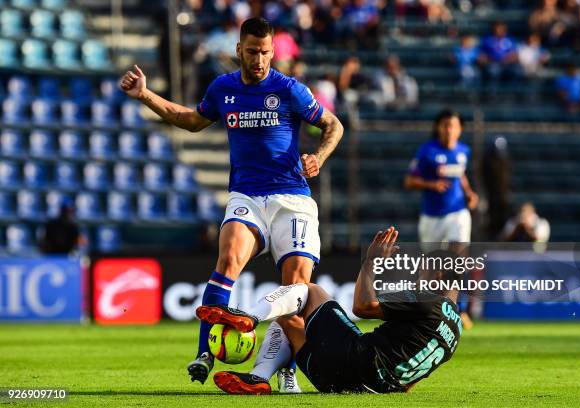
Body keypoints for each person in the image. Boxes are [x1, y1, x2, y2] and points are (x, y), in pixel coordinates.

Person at [119, 17, 344, 392]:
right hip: (247, 195)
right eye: (253, 52)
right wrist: (145, 95)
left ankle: (283, 367)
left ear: (274, 52)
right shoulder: (223, 88)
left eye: (266, 53)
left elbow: (333, 125)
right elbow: (191, 121)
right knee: (227, 261)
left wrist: (319, 157)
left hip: (292, 197)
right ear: (239, 49)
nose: (259, 60)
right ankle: (205, 353)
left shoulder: (290, 90)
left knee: (295, 288)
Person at [198, 227, 462, 394]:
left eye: (422, 270)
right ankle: (263, 378)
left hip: (351, 360)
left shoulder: (429, 301)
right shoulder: (456, 329)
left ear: (437, 273)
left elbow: (362, 307)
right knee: (289, 318)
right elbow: (410, 383)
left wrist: (370, 263)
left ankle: (250, 317)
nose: (417, 275)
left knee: (309, 291)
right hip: (343, 384)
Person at [403, 109, 478, 243]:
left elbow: (460, 174)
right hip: (432, 216)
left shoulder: (464, 150)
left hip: (458, 211)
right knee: (434, 262)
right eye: (445, 125)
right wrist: (432, 185)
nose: (449, 130)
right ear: (437, 128)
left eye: (453, 126)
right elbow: (409, 181)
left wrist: (468, 192)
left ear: (460, 129)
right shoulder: (426, 151)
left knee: (457, 256)